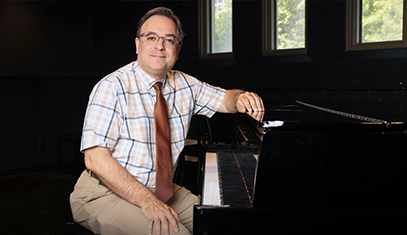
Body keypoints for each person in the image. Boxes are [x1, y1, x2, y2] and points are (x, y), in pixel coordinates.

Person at [70, 6, 264, 235]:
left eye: (169, 40)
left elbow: (226, 99)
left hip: (162, 191)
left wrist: (242, 97)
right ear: (137, 44)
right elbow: (95, 160)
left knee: (225, 224)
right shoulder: (111, 87)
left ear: (177, 49)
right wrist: (147, 201)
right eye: (151, 37)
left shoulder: (185, 85)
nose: (159, 46)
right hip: (103, 192)